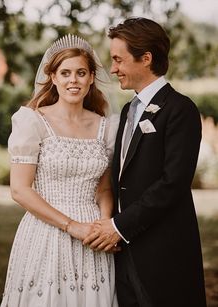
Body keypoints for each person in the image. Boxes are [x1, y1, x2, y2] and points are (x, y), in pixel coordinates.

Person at [83, 17, 207, 307]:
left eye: (118, 59)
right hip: (125, 253)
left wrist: (119, 227)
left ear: (146, 58)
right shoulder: (128, 111)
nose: (112, 69)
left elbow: (172, 184)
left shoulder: (180, 109)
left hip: (164, 253)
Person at [1, 34, 119, 307]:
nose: (73, 80)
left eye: (80, 73)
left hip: (93, 238)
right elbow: (20, 190)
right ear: (52, 77)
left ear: (92, 77)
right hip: (45, 232)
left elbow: (103, 188)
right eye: (65, 73)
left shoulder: (106, 127)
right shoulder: (32, 122)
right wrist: (71, 226)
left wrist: (103, 225)